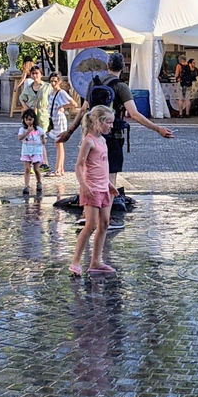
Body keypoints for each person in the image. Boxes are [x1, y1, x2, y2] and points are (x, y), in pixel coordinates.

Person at [59, 53, 173, 214]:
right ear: (123, 68)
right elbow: (134, 114)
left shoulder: (94, 82)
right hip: (113, 136)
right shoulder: (121, 86)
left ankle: (88, 213)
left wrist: (69, 132)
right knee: (110, 177)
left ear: (108, 66)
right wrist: (157, 128)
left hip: (91, 135)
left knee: (90, 173)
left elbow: (83, 110)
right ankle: (107, 216)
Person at [68, 105, 120, 276]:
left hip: (103, 188)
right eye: (109, 123)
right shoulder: (88, 141)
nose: (111, 126)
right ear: (99, 122)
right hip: (91, 189)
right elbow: (79, 166)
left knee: (105, 224)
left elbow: (102, 166)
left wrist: (109, 184)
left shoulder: (103, 141)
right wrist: (83, 185)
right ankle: (76, 261)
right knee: (91, 225)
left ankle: (96, 261)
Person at [19, 65, 52, 171]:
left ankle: (42, 163)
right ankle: (40, 163)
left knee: (40, 138)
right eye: (33, 73)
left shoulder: (47, 86)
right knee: (34, 139)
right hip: (32, 115)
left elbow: (53, 97)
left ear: (41, 74)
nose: (35, 75)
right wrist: (27, 108)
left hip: (42, 115)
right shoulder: (28, 88)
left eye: (37, 73)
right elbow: (22, 98)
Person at [46, 72, 78, 176]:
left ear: (59, 81)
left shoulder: (61, 93)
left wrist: (63, 106)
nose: (53, 83)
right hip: (54, 119)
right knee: (58, 144)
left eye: (55, 81)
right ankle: (60, 168)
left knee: (59, 143)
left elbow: (74, 103)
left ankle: (58, 169)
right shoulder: (51, 93)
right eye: (51, 81)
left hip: (59, 119)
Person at [18, 108, 45, 195]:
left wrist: (43, 141)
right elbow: (19, 138)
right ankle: (26, 185)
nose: (28, 122)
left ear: (34, 119)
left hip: (36, 151)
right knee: (27, 169)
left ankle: (39, 182)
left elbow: (43, 137)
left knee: (36, 169)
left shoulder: (38, 129)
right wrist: (27, 132)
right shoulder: (22, 129)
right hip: (26, 151)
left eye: (30, 119)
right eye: (26, 119)